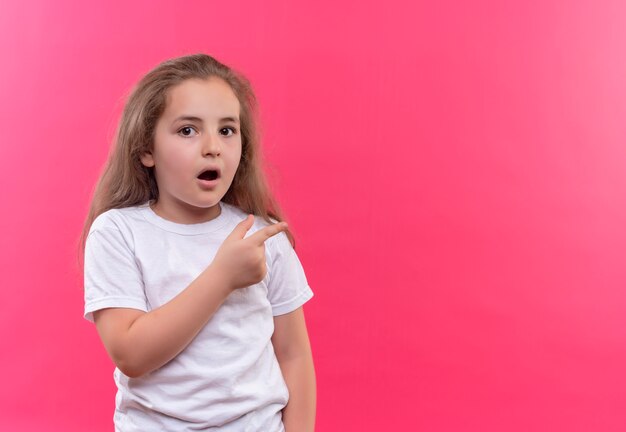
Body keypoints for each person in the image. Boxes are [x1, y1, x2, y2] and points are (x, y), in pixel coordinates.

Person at [79, 53, 316, 431]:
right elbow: (131, 354)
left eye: (227, 130)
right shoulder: (117, 232)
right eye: (188, 130)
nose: (212, 146)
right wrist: (222, 277)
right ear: (146, 149)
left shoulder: (263, 235)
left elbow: (293, 355)